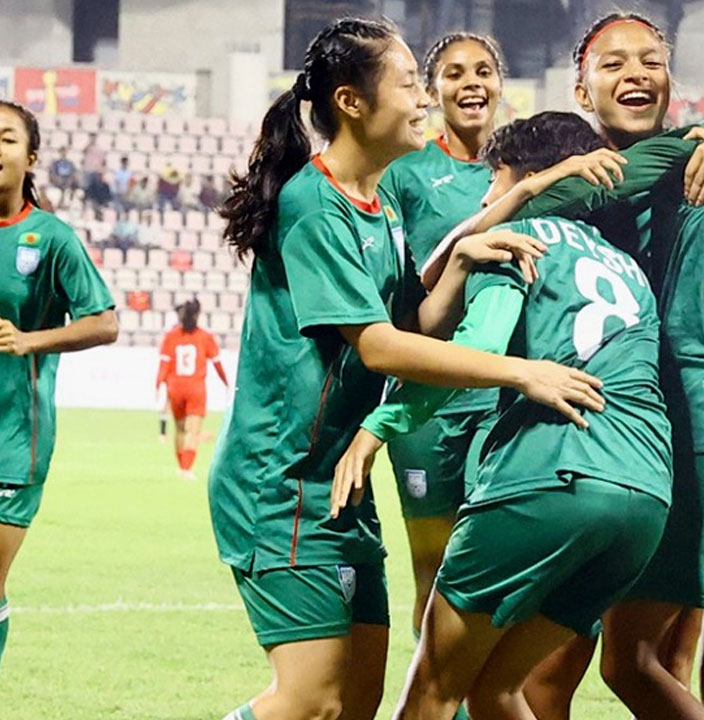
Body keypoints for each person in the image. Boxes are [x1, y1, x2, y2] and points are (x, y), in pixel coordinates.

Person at [422, 13, 704, 719]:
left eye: (651, 60)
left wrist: (504, 211)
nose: (636, 74)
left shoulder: (689, 156)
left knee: (603, 666)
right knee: (627, 667)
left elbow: (501, 230)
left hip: (669, 440)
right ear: (581, 90)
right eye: (614, 63)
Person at [208, 18, 603, 720]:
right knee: (313, 702)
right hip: (282, 481)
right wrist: (520, 373)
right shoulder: (313, 203)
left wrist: (462, 259)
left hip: (339, 482)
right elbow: (379, 346)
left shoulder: (381, 200)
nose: (424, 100)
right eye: (410, 84)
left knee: (358, 703)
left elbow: (415, 320)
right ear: (352, 102)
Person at [334, 110, 672, 720]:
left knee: (433, 692)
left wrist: (377, 428)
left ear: (526, 176)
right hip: (645, 498)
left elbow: (479, 351)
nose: (487, 198)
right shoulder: (628, 268)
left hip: (552, 477)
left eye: (494, 180)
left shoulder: (516, 243)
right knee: (496, 690)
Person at [377, 31, 509, 656]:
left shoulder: (523, 170)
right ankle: (438, 698)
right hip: (424, 401)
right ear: (433, 92)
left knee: (494, 568)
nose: (471, 83)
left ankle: (486, 693)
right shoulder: (406, 173)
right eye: (454, 74)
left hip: (501, 396)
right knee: (431, 572)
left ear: (500, 85)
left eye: (483, 70)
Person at [0, 100, 118, 672]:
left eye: (6, 138)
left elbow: (104, 322)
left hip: (12, 438)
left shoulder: (49, 238)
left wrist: (31, 339)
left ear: (31, 157)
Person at [156, 299, 227, 479]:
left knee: (179, 429)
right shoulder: (205, 336)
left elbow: (164, 364)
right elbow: (217, 363)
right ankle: (186, 469)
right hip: (195, 388)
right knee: (192, 431)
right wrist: (226, 382)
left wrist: (158, 384)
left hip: (175, 387)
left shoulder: (171, 336)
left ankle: (181, 466)